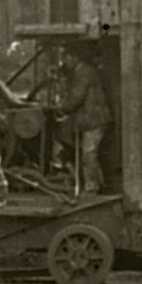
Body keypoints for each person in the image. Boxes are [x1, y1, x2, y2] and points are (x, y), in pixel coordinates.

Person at [44, 46, 112, 194]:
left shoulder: (84, 74)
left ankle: (92, 188)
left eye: (66, 59)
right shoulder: (80, 72)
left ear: (74, 58)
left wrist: (60, 108)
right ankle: (99, 184)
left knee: (88, 155)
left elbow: (75, 99)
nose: (64, 62)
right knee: (89, 153)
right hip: (90, 120)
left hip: (94, 120)